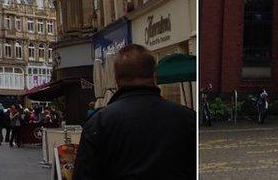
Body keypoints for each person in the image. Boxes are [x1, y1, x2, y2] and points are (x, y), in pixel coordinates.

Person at [73, 44, 196, 179]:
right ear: (154, 75)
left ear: (116, 79)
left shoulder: (99, 123)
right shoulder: (187, 118)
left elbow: (83, 175)